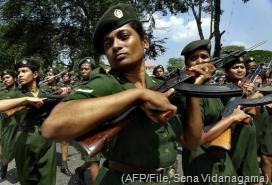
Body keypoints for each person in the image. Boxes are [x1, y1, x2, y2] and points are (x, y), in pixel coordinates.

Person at [42, 3, 215, 185]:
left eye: (124, 37)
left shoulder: (160, 85)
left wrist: (194, 89)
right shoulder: (106, 83)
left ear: (145, 42)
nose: (116, 46)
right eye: (108, 44)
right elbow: (51, 127)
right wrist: (138, 96)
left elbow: (192, 142)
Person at [180, 40, 251, 185]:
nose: (200, 61)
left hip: (221, 155)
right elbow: (198, 138)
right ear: (187, 66)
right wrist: (232, 118)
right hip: (199, 161)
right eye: (194, 58)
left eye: (204, 57)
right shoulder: (185, 92)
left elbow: (223, 119)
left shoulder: (213, 89)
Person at [1, 58, 57, 185]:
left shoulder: (47, 92)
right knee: (27, 180)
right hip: (24, 138)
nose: (19, 74)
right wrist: (25, 99)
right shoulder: (16, 93)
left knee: (47, 180)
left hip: (46, 139)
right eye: (18, 72)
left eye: (24, 71)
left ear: (35, 74)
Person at [222, 56, 260, 185]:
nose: (239, 70)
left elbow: (257, 113)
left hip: (249, 129)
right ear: (227, 71)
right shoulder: (222, 89)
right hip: (234, 132)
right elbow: (227, 112)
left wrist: (251, 95)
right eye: (235, 67)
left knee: (252, 172)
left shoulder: (249, 86)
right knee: (230, 171)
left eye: (242, 67)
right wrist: (243, 96)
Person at [74, 57, 101, 184]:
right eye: (81, 69)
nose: (83, 71)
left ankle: (80, 169)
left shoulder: (100, 84)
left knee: (94, 158)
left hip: (99, 126)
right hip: (85, 128)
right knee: (95, 161)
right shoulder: (78, 87)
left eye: (86, 69)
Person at [0, 70, 17, 179]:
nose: (5, 80)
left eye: (8, 77)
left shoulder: (20, 92)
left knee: (11, 148)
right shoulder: (1, 93)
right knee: (3, 147)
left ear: (14, 78)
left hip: (15, 124)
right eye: (4, 78)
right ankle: (3, 170)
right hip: (3, 124)